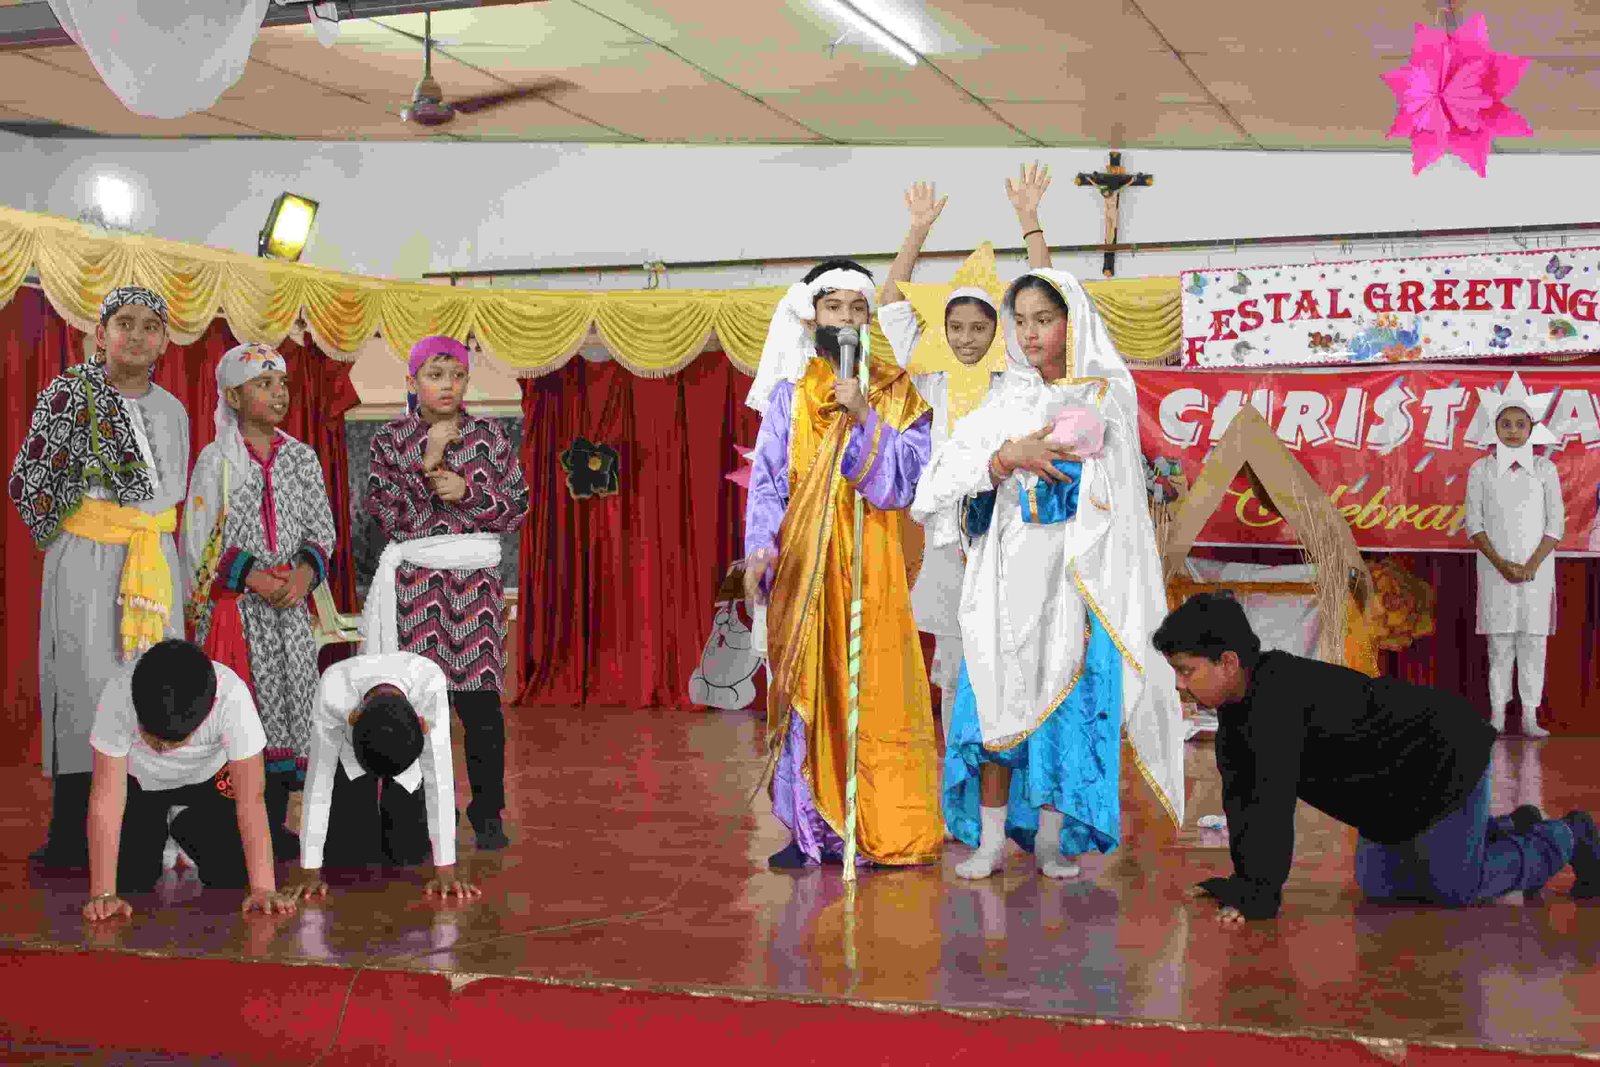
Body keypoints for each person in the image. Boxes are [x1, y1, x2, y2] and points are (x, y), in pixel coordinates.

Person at [911, 270, 1184, 880]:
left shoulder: (1105, 397)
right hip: (1003, 584)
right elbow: (938, 486)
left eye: (1044, 319)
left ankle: (1051, 841)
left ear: (1072, 322)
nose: (1030, 333)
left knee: (1065, 713)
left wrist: (1081, 472)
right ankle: (990, 842)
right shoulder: (1005, 400)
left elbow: (1124, 499)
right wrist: (1004, 459)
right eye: (1021, 321)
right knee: (994, 704)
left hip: (1074, 586)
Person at [1152, 591, 1598, 923]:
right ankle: (1513, 826)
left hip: (1444, 756)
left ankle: (1564, 836)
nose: (1179, 684)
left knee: (1455, 888)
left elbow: (1269, 806)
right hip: (1389, 794)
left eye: (1187, 671)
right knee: (1383, 887)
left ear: (1229, 662)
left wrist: (1258, 896)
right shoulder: (1236, 714)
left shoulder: (1277, 700)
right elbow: (1243, 802)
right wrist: (1243, 883)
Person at [744, 259, 943, 869]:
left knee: (871, 690)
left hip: (872, 568)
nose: (848, 319)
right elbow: (768, 482)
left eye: (859, 309)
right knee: (806, 690)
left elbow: (905, 482)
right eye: (835, 308)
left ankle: (874, 824)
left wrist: (864, 416)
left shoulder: (896, 391)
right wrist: (760, 547)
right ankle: (809, 830)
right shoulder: (789, 396)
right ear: (813, 318)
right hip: (804, 568)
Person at [9, 286, 190, 868]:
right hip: (85, 560)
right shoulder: (68, 396)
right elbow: (30, 481)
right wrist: (92, 520)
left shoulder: (173, 410)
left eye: (149, 326)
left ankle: (145, 829)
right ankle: (71, 835)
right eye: (124, 323)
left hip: (152, 561)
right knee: (82, 686)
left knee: (151, 683)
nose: (136, 335)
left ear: (164, 341)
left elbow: (171, 494)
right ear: (100, 333)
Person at [876, 164, 1054, 732]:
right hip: (952, 534)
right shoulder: (934, 375)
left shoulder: (1015, 374)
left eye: (979, 328)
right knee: (955, 661)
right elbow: (890, 306)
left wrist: (1029, 220)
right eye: (956, 328)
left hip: (1010, 528)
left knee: (1010, 655)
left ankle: (1010, 761)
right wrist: (917, 231)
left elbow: (1050, 296)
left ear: (998, 330)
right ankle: (961, 767)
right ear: (944, 330)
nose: (967, 338)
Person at [362, 335, 530, 851]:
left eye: (456, 376)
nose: (447, 386)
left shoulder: (489, 436)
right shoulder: (390, 440)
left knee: (481, 710)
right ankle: (415, 810)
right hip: (415, 588)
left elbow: (517, 507)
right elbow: (388, 516)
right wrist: (428, 461)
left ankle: (488, 813)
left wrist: (469, 492)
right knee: (415, 706)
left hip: (476, 589)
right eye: (435, 376)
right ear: (413, 381)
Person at [184, 342, 337, 860]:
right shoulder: (216, 461)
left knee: (294, 710)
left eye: (282, 384)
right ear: (232, 396)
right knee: (244, 710)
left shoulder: (301, 458)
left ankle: (279, 828)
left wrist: (303, 574)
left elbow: (322, 530)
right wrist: (251, 577)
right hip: (239, 613)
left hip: (289, 613)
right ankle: (234, 832)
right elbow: (199, 541)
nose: (278, 394)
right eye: (263, 384)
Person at [82, 639, 296, 921]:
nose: (161, 749)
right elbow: (106, 800)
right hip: (140, 784)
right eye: (152, 739)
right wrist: (103, 894)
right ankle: (158, 831)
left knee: (233, 876)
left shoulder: (231, 696)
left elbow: (251, 800)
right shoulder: (118, 692)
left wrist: (263, 889)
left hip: (206, 782)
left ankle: (183, 826)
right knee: (131, 880)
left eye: (173, 743)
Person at [284, 651, 478, 901]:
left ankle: (400, 813)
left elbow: (438, 777)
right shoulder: (334, 688)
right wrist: (310, 872)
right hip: (353, 755)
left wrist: (446, 871)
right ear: (353, 717)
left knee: (408, 853)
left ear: (421, 723)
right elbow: (319, 779)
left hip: (405, 757)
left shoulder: (429, 683)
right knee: (349, 858)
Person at [1464, 374, 1564, 737]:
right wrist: (1502, 564)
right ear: (1494, 428)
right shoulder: (1481, 469)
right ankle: (1496, 714)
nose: (1512, 431)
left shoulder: (1545, 469)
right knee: (1500, 643)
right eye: (1505, 423)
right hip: (1496, 572)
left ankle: (1529, 717)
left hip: (1537, 572)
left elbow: (1556, 525)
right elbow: (1474, 524)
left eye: (1520, 424)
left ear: (1532, 428)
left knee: (1534, 642)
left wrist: (1531, 564)